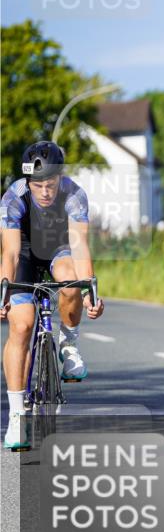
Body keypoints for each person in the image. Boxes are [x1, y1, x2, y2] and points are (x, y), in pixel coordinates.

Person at [1, 142, 105, 450]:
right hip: (24, 252)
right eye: (38, 185)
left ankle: (68, 344)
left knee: (71, 281)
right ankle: (18, 415)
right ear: (28, 182)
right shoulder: (13, 198)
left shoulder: (74, 195)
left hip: (59, 248)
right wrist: (4, 292)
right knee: (22, 325)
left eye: (50, 184)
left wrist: (89, 290)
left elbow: (80, 247)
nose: (45, 192)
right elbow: (9, 252)